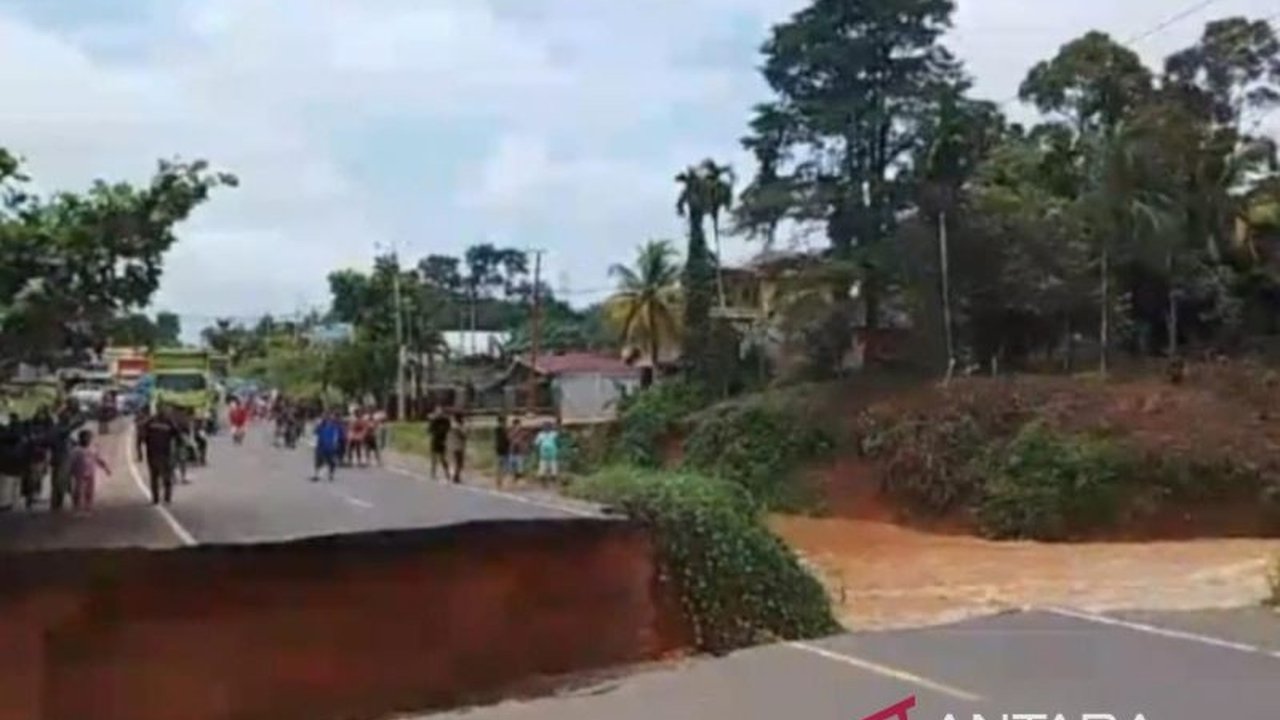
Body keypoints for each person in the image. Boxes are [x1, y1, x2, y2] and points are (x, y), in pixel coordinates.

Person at [137, 405, 182, 505]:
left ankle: (164, 498)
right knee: (156, 477)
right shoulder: (152, 422)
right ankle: (157, 498)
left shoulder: (166, 422)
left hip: (162, 453)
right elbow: (141, 436)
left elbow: (178, 436)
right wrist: (140, 451)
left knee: (163, 477)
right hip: (155, 453)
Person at [69, 428, 110, 514]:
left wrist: (106, 468)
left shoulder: (93, 448)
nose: (88, 439)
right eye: (86, 437)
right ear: (81, 438)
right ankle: (76, 507)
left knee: (89, 491)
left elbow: (98, 459)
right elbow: (71, 462)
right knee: (78, 490)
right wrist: (70, 472)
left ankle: (88, 507)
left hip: (91, 473)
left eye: (89, 437)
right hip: (79, 474)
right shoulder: (76, 450)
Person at [312, 410, 344, 482]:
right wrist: (314, 444)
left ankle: (331, 474)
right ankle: (316, 475)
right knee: (318, 460)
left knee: (331, 461)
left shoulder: (333, 425)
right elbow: (315, 433)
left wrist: (335, 443)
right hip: (321, 445)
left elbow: (336, 435)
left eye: (325, 416)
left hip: (330, 445)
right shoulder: (320, 425)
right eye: (323, 416)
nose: (324, 417)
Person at [427, 408, 451, 480]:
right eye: (438, 413)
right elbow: (429, 430)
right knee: (434, 459)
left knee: (443, 459)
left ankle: (447, 473)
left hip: (442, 440)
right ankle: (433, 473)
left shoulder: (445, 421)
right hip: (435, 440)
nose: (439, 415)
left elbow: (448, 429)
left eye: (440, 413)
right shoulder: (434, 421)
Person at [534, 420, 561, 485]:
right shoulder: (540, 434)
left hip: (552, 452)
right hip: (544, 452)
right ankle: (543, 480)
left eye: (548, 427)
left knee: (553, 466)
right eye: (545, 427)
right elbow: (536, 443)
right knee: (544, 466)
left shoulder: (554, 434)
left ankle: (552, 479)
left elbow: (558, 442)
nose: (546, 428)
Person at [446, 413, 467, 484]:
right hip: (459, 447)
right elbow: (464, 435)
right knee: (459, 463)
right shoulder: (459, 427)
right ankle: (456, 476)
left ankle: (453, 476)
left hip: (451, 446)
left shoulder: (450, 426)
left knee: (453, 462)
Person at [494, 415, 513, 488]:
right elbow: (507, 439)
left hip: (499, 450)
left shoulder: (497, 429)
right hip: (504, 450)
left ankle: (499, 482)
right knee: (505, 467)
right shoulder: (503, 430)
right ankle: (502, 482)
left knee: (499, 467)